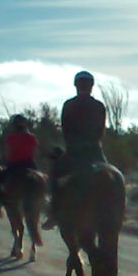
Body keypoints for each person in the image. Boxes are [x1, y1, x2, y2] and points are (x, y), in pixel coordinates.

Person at [42, 70, 108, 229]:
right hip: (95, 151)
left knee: (56, 175)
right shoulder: (99, 106)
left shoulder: (69, 105)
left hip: (75, 151)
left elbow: (66, 129)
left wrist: (72, 144)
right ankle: (121, 209)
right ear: (91, 86)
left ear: (76, 86)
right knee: (113, 174)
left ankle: (54, 212)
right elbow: (101, 131)